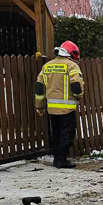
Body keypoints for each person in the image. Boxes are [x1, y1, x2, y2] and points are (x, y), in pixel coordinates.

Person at [34, 41, 84, 169]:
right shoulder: (71, 66)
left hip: (52, 108)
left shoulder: (47, 66)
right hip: (67, 109)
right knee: (67, 134)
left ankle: (58, 159)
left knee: (56, 134)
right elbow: (76, 86)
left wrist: (39, 106)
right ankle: (61, 160)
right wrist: (79, 96)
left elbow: (39, 88)